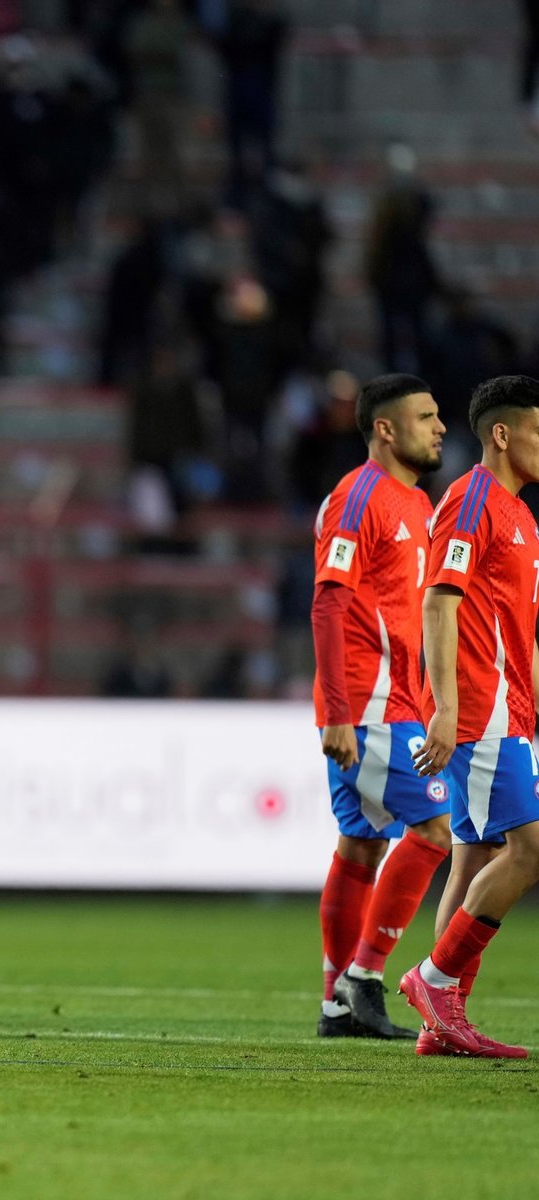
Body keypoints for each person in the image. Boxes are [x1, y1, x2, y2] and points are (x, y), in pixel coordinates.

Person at [398, 375, 539, 1059]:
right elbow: (437, 603)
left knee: (475, 853)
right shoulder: (472, 500)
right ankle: (434, 981)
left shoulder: (521, 515)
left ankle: (441, 1022)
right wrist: (447, 708)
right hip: (480, 706)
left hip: (508, 706)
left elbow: (522, 628)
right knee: (532, 849)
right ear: (503, 435)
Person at [309, 374, 449, 1040]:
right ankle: (364, 976)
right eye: (425, 417)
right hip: (369, 705)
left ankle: (339, 1003)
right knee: (434, 830)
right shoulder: (358, 498)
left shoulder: (419, 504)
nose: (441, 427)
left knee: (361, 846)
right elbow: (329, 601)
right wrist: (338, 709)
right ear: (386, 429)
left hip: (399, 702)